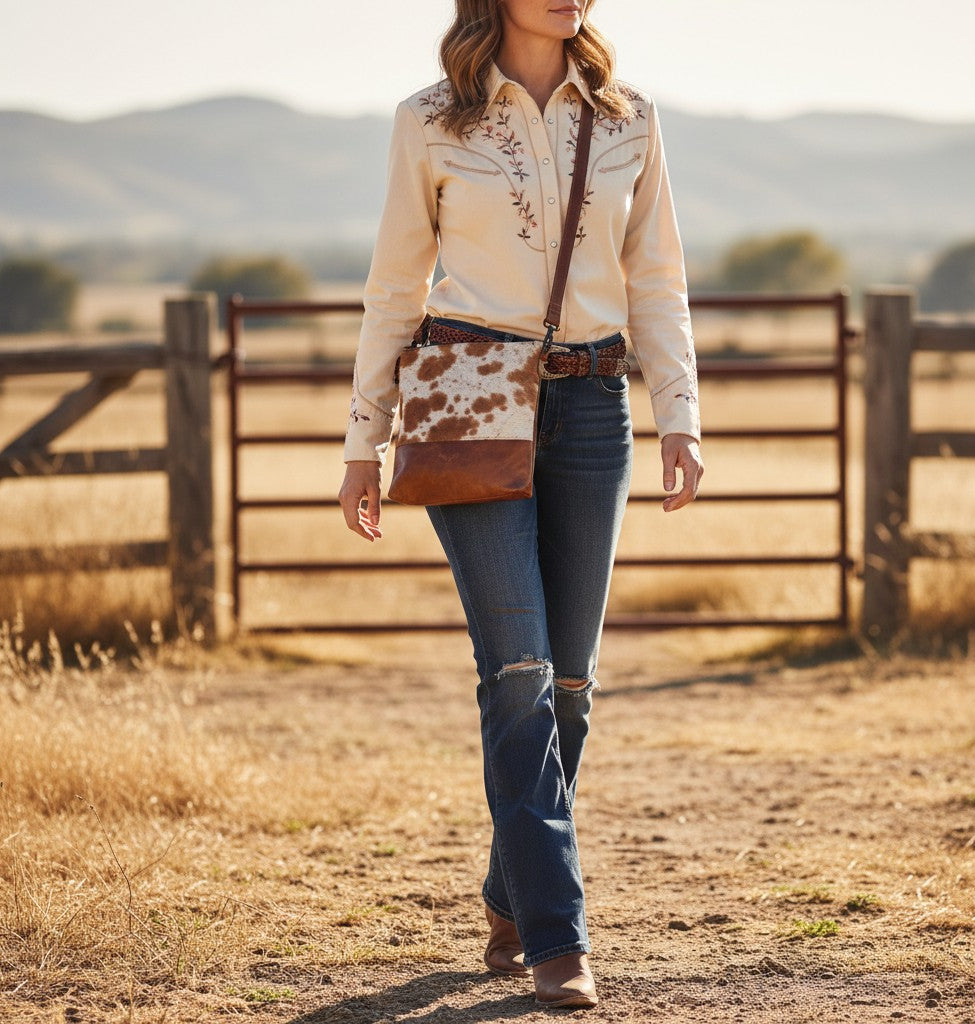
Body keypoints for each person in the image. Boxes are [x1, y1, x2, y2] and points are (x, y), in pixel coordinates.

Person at [339, 0, 702, 1009]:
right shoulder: (429, 119)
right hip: (471, 403)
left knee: (570, 686)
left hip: (593, 409)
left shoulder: (629, 118)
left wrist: (680, 417)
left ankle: (510, 888)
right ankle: (556, 936)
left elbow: (657, 276)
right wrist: (364, 437)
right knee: (517, 673)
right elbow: (395, 284)